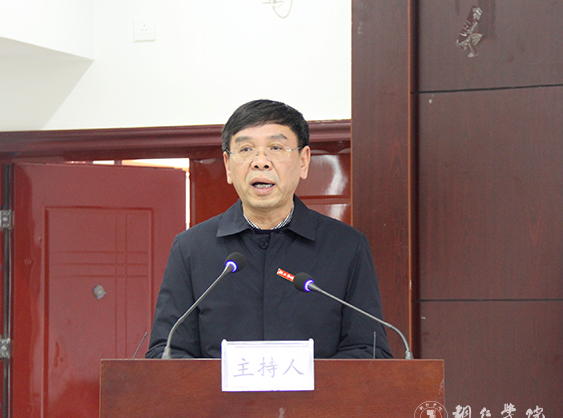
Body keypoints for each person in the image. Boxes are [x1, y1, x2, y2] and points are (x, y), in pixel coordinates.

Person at [146, 99, 392, 359]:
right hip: (218, 390)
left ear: (304, 161)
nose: (260, 162)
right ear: (228, 165)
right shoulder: (191, 248)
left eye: (276, 148)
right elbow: (166, 352)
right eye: (246, 149)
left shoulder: (346, 246)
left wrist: (302, 378)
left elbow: (369, 351)